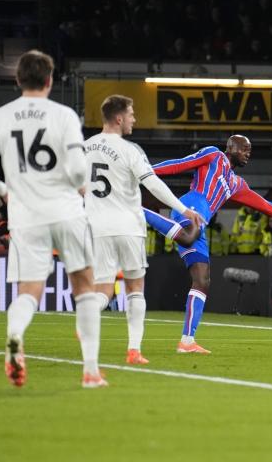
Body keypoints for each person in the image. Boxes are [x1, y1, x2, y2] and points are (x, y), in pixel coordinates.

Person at [0, 50, 107, 388]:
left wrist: (6, 193)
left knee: (29, 290)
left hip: (26, 215)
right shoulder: (63, 115)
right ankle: (91, 371)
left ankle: (15, 337)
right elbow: (77, 170)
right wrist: (80, 186)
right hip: (66, 211)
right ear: (49, 80)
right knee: (85, 287)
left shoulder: (0, 117)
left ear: (18, 80)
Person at [149, 135, 272, 353]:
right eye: (244, 149)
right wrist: (145, 172)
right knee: (189, 235)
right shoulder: (213, 155)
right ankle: (139, 211)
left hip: (202, 223)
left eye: (249, 150)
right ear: (231, 147)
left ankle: (187, 341)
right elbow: (179, 164)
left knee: (202, 279)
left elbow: (266, 205)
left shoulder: (236, 184)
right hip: (190, 207)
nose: (248, 154)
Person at [83, 94, 205, 365]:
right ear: (118, 118)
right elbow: (153, 185)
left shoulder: (84, 147)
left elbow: (74, 187)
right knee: (135, 288)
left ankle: (87, 315)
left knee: (103, 290)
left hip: (97, 228)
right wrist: (184, 210)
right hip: (128, 226)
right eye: (131, 114)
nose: (134, 119)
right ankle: (134, 351)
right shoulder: (131, 150)